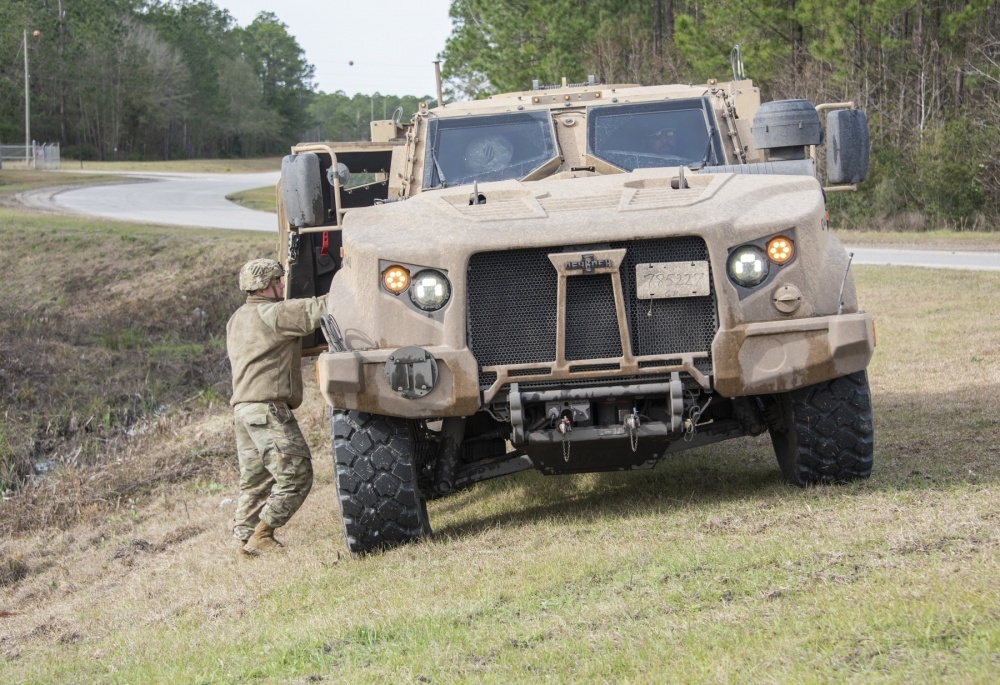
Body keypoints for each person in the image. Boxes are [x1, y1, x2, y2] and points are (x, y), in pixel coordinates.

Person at [226, 258, 328, 555]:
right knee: (297, 473)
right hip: (266, 410)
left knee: (255, 483)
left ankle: (242, 543)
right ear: (265, 287)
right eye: (278, 282)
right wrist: (353, 285)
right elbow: (317, 310)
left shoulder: (237, 318)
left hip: (243, 412)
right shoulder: (273, 314)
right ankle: (262, 535)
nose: (283, 286)